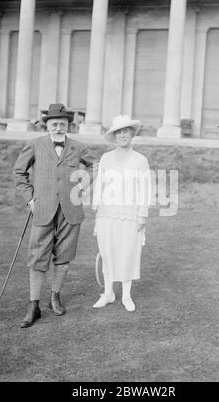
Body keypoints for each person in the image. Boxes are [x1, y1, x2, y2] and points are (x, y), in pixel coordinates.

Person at [13, 103, 96, 328]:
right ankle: (33, 305)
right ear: (47, 125)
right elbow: (19, 173)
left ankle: (55, 296)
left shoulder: (78, 147)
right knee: (38, 256)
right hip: (42, 209)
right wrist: (29, 198)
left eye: (62, 124)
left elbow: (94, 166)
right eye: (54, 124)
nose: (58, 128)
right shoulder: (34, 145)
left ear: (68, 125)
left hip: (71, 209)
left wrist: (82, 184)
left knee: (64, 255)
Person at [92, 115, 151, 312]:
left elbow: (145, 189)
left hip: (130, 214)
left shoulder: (140, 160)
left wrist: (142, 214)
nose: (122, 134)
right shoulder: (106, 158)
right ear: (114, 136)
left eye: (126, 130)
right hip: (107, 214)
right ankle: (108, 293)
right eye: (118, 131)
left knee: (127, 252)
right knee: (108, 252)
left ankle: (126, 295)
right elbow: (100, 186)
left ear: (132, 133)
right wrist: (97, 214)